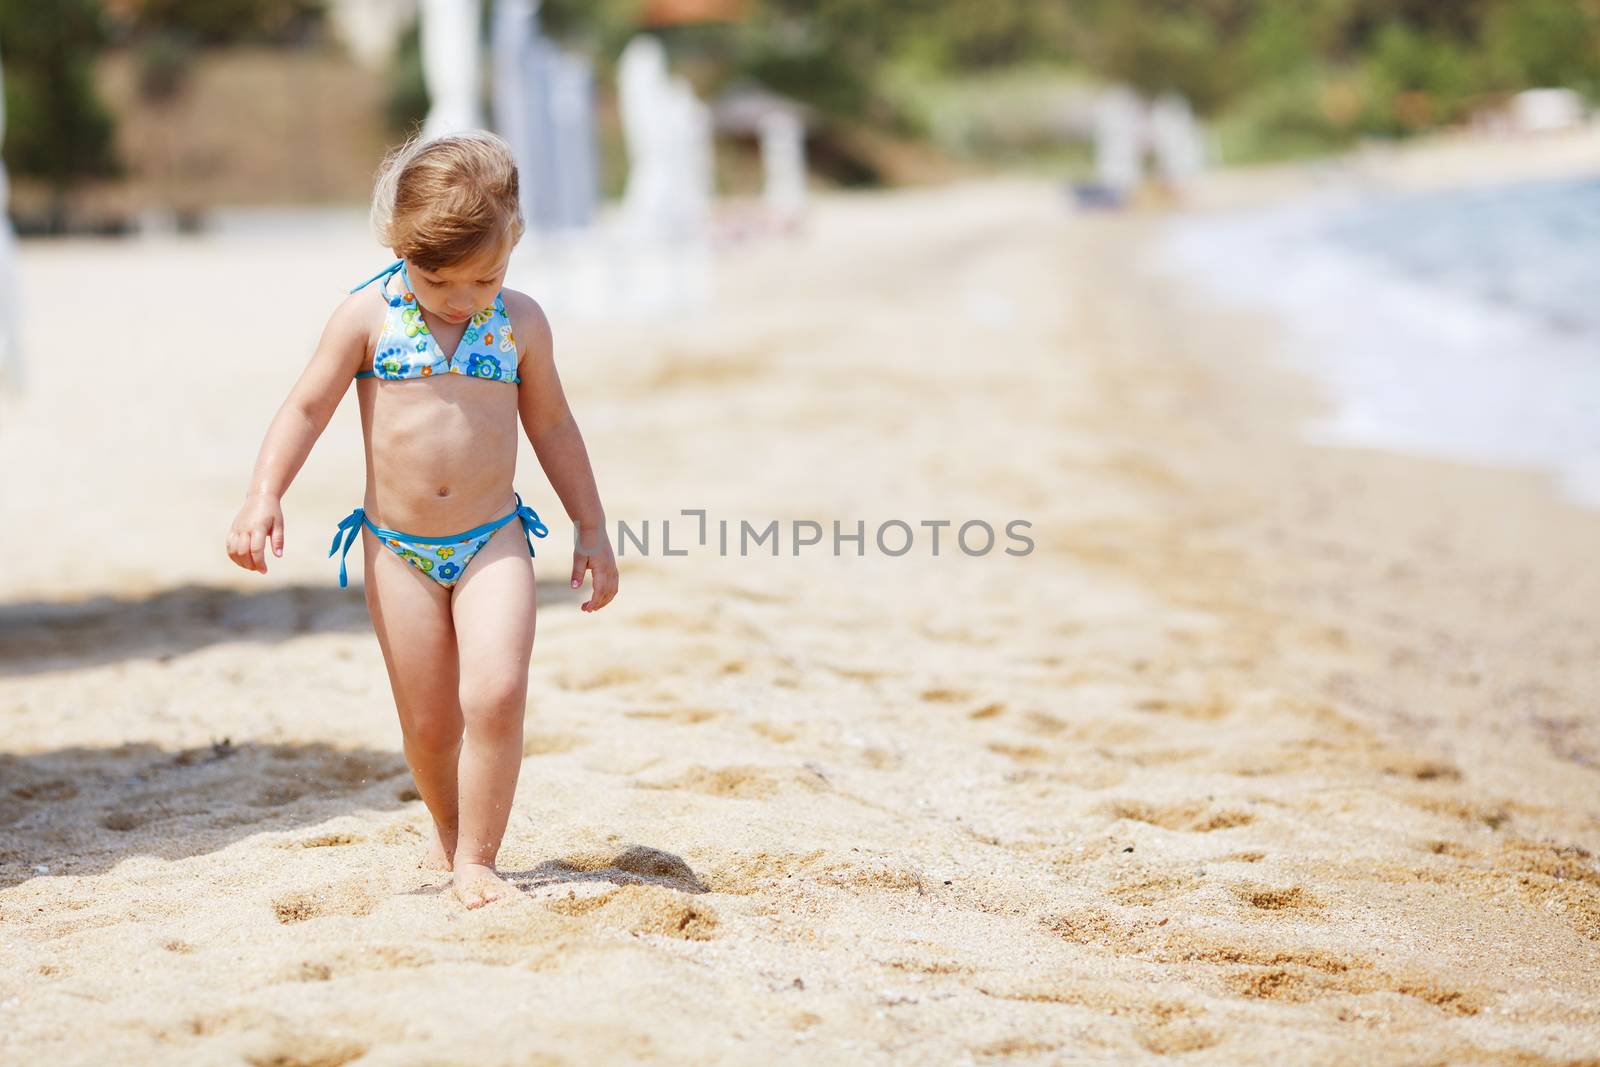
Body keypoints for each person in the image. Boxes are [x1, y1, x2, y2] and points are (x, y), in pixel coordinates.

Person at [225, 131, 619, 909]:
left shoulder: (522, 323)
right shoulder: (367, 315)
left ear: (513, 247)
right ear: (400, 246)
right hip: (396, 548)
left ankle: (478, 858)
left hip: (492, 540)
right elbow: (306, 406)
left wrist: (592, 525)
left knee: (498, 693)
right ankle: (446, 829)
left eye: (487, 276)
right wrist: (263, 493)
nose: (464, 297)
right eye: (440, 278)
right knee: (432, 722)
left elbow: (553, 427)